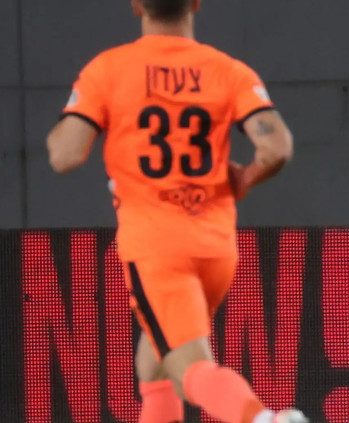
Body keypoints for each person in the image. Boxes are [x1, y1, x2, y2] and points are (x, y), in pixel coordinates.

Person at [46, 1, 308, 422]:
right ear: (196, 3)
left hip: (157, 248)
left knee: (190, 371)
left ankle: (265, 419)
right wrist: (246, 178)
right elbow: (276, 147)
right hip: (216, 248)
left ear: (136, 5)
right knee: (155, 362)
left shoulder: (109, 70)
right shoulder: (227, 70)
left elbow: (65, 155)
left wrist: (71, 119)